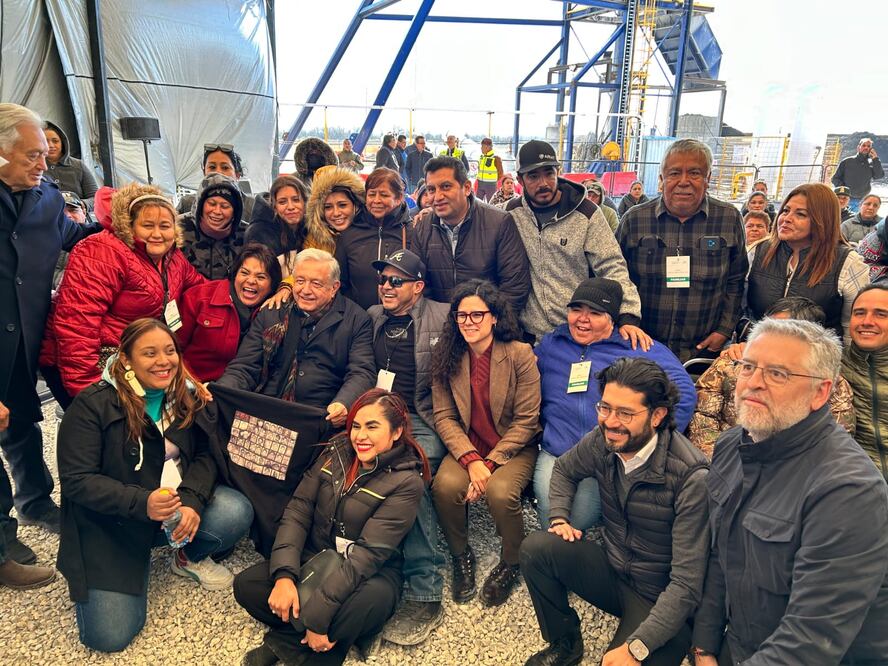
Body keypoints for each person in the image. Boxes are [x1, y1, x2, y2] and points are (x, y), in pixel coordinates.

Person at [691, 318, 888, 665]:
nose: (753, 383)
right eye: (748, 367)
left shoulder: (848, 491)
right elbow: (721, 558)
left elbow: (811, 640)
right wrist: (703, 647)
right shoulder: (731, 446)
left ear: (820, 393)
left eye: (778, 374)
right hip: (742, 646)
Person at [57, 318, 254, 652]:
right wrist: (142, 502)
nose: (164, 361)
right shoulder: (92, 405)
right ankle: (120, 565)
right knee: (109, 637)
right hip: (111, 524)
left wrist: (192, 500)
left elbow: (205, 454)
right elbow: (77, 481)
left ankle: (185, 558)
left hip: (170, 508)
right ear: (126, 360)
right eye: (149, 353)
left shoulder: (182, 396)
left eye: (170, 351)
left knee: (236, 511)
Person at [520, 357, 709, 666]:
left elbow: (687, 585)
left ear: (657, 415)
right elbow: (565, 470)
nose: (609, 421)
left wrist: (638, 647)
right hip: (614, 568)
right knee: (536, 548)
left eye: (625, 412)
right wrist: (559, 518)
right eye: (605, 407)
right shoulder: (604, 441)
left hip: (660, 596)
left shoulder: (692, 478)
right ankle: (565, 642)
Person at [233, 389, 428, 666]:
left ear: (396, 432)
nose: (360, 436)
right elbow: (298, 511)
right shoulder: (335, 451)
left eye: (372, 427)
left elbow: (366, 557)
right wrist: (285, 576)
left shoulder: (407, 482)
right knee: (247, 586)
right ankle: (340, 635)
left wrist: (318, 617)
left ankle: (286, 645)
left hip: (368, 575)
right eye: (356, 426)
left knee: (368, 601)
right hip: (317, 558)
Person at [1, 104, 101, 562]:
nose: (45, 165)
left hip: (28, 336)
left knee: (22, 423)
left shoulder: (47, 198)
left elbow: (73, 235)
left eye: (44, 154)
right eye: (32, 157)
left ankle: (35, 500)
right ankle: (2, 540)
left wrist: (127, 231)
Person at [533, 278, 697, 530]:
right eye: (576, 310)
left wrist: (653, 435)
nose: (582, 319)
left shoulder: (636, 346)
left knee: (576, 519)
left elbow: (684, 391)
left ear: (612, 319)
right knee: (551, 512)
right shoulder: (551, 344)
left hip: (606, 454)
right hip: (557, 451)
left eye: (595, 313)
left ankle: (560, 558)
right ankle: (554, 557)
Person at [39, 183, 205, 404]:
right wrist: (88, 391)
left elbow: (201, 289)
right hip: (90, 360)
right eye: (148, 225)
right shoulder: (103, 251)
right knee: (105, 432)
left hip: (128, 357)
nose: (157, 234)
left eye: (165, 226)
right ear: (130, 226)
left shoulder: (172, 259)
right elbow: (76, 323)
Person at [431, 280, 540, 607]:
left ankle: (512, 560)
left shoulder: (520, 354)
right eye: (461, 316)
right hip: (469, 444)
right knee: (445, 486)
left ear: (494, 317)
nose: (469, 322)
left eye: (477, 314)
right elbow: (445, 416)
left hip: (513, 445)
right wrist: (471, 460)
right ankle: (461, 555)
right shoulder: (446, 355)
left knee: (500, 491)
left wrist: (489, 464)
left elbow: (527, 421)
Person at [365, 250, 450, 646]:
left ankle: (425, 588)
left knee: (408, 476)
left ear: (417, 287)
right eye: (383, 279)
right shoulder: (371, 317)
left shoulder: (445, 316)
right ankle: (363, 567)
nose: (385, 286)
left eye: (396, 281)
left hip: (425, 419)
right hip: (380, 413)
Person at [617, 138, 748, 361]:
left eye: (695, 173)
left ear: (708, 179)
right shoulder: (635, 220)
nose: (684, 181)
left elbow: (736, 281)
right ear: (662, 179)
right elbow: (616, 277)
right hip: (642, 346)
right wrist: (626, 324)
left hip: (703, 349)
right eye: (675, 173)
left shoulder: (728, 218)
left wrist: (724, 330)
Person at [217, 249, 374, 430]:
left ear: (334, 287)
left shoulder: (356, 319)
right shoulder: (273, 312)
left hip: (320, 418)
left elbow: (362, 372)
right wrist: (222, 391)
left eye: (316, 284)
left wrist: (343, 403)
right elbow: (244, 367)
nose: (305, 290)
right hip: (265, 410)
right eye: (300, 281)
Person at [507, 140, 644, 344]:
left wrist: (628, 316)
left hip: (576, 334)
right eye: (533, 176)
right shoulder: (512, 213)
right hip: (528, 336)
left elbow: (612, 265)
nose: (543, 183)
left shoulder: (587, 214)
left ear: (558, 171)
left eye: (549, 173)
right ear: (520, 179)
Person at [689, 296, 856, 458]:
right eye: (768, 326)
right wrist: (724, 460)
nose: (754, 382)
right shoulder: (732, 361)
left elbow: (836, 437)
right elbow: (702, 415)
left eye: (783, 330)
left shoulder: (828, 383)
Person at [745, 182, 869, 342]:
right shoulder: (758, 251)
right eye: (785, 210)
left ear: (822, 220)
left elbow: (852, 330)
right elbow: (740, 308)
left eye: (801, 214)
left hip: (814, 362)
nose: (787, 219)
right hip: (758, 351)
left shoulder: (848, 263)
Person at [413, 156, 531, 313]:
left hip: (488, 328)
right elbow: (418, 285)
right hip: (438, 327)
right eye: (431, 190)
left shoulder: (499, 223)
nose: (437, 196)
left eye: (446, 187)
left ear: (467, 188)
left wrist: (492, 324)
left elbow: (514, 286)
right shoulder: (422, 228)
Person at [178, 243, 281, 382]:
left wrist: (286, 288)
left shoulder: (273, 310)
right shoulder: (199, 297)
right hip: (193, 386)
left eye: (261, 277)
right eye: (244, 273)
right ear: (234, 274)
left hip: (240, 392)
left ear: (272, 285)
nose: (251, 281)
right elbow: (174, 349)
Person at [335, 168, 412, 309]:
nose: (376, 200)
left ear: (399, 197)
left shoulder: (412, 232)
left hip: (401, 318)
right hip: (359, 320)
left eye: (384, 195)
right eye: (371, 194)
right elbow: (341, 283)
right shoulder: (349, 234)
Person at [841, 283, 888, 478]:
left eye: (881, 314)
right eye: (859, 313)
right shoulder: (832, 364)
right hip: (856, 483)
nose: (867, 321)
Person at [246, 175, 331, 276]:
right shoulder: (258, 233)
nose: (290, 207)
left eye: (296, 200)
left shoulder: (313, 229)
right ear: (275, 207)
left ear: (305, 202)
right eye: (282, 202)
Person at [180, 172, 248, 279]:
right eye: (211, 204)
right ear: (200, 205)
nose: (217, 211)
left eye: (225, 206)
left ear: (235, 211)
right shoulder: (177, 227)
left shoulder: (247, 234)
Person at [177, 143, 255, 222]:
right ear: (204, 173)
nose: (218, 172)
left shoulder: (253, 207)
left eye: (225, 167)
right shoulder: (187, 204)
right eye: (212, 167)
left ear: (237, 175)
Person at [42, 121, 99, 208]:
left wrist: (80, 205)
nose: (51, 145)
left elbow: (95, 198)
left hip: (78, 216)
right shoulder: (35, 168)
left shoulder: (78, 165)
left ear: (63, 142)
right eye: (45, 141)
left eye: (55, 141)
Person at [305, 165, 363, 247]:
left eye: (342, 205)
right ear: (320, 211)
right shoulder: (313, 242)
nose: (336, 213)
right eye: (328, 207)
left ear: (356, 205)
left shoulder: (371, 237)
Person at [831, 136, 884, 211]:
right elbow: (835, 179)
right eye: (864, 145)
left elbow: (878, 176)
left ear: (871, 149)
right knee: (843, 220)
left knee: (857, 222)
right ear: (858, 147)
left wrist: (875, 159)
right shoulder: (847, 161)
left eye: (868, 146)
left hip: (862, 201)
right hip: (847, 199)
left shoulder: (872, 163)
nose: (866, 148)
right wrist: (845, 191)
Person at [53, 191, 92, 290]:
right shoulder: (45, 240)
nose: (68, 216)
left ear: (84, 211)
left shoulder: (97, 241)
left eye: (73, 210)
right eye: (61, 213)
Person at [475, 138, 504, 202]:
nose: (481, 148)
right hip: (480, 184)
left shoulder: (496, 158)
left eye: (482, 146)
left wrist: (493, 181)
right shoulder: (482, 157)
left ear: (487, 147)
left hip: (491, 185)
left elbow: (501, 173)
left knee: (491, 203)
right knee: (477, 202)